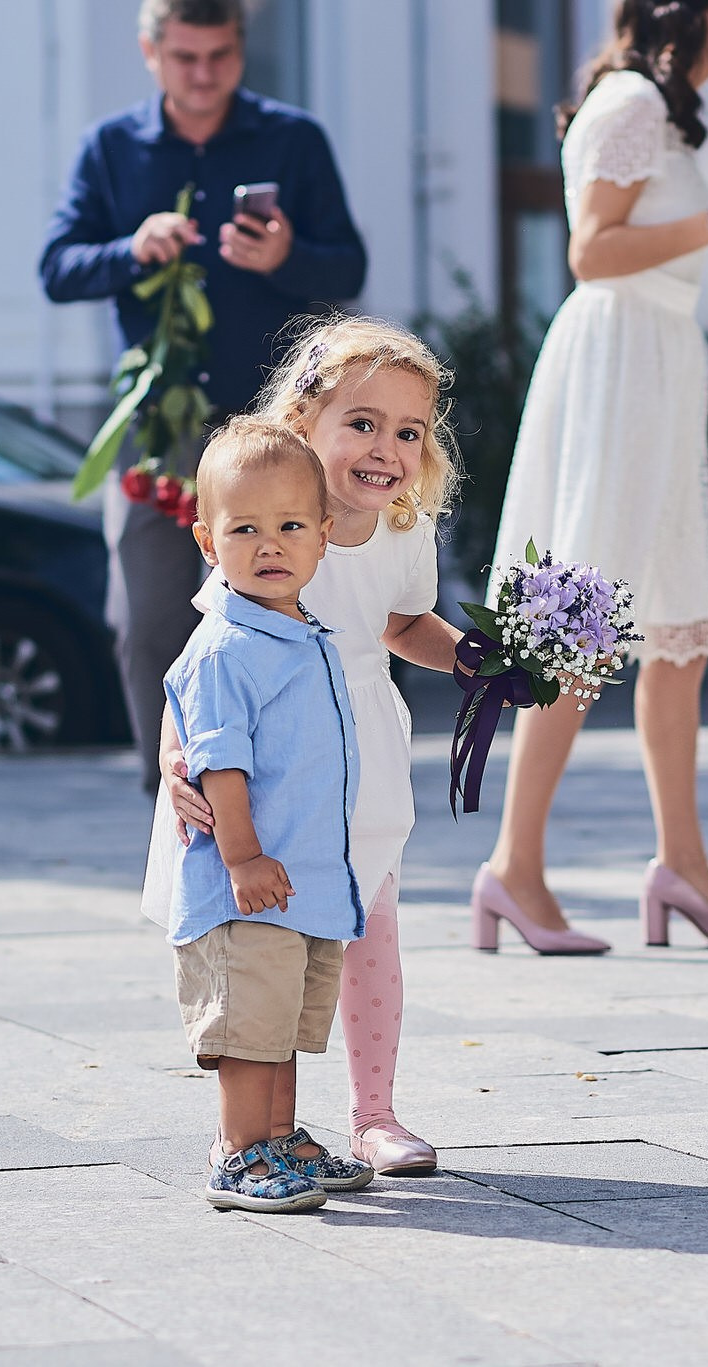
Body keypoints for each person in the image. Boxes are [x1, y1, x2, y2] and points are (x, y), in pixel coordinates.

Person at [479, 0, 708, 953]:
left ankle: (681, 865)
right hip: (616, 362)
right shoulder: (630, 102)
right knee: (585, 615)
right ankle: (513, 867)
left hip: (662, 359)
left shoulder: (676, 114)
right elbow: (591, 250)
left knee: (678, 629)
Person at [154, 317, 465, 1177]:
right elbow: (206, 658)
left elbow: (401, 623)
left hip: (361, 745)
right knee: (264, 945)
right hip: (268, 761)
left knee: (369, 928)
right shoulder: (270, 523)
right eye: (362, 423)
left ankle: (375, 1114)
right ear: (304, 421)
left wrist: (473, 657)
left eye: (409, 431)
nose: (386, 448)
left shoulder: (402, 527)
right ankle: (248, 1135)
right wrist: (174, 757)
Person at [40, 0, 367, 791]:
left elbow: (348, 268)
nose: (203, 74)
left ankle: (283, 793)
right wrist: (131, 249)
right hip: (160, 429)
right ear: (150, 52)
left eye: (219, 55)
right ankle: (172, 805)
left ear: (240, 51)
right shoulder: (111, 148)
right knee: (148, 618)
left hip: (276, 423)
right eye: (185, 57)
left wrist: (286, 256)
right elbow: (57, 267)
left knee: (289, 608)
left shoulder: (294, 139)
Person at [160, 417, 372, 1212]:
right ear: (209, 543)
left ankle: (277, 1137)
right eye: (244, 528)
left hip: (297, 881)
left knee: (278, 1024)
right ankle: (238, 1150)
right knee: (249, 1027)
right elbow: (221, 762)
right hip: (244, 887)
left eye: (289, 526)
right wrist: (242, 857)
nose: (269, 545)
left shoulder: (300, 634)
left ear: (323, 535)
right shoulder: (227, 647)